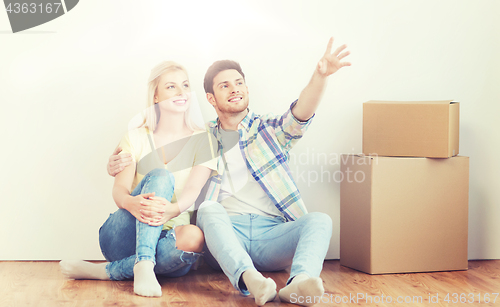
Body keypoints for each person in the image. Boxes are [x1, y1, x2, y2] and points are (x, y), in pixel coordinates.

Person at [108, 37, 351, 306]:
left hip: (272, 234)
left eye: (238, 83)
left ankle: (299, 283)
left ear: (247, 89)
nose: (234, 89)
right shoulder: (201, 138)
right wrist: (115, 163)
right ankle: (250, 280)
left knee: (320, 220)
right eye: (224, 85)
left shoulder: (271, 130)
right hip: (222, 236)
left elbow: (302, 112)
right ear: (211, 98)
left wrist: (320, 75)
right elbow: (158, 154)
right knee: (210, 208)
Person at [60, 61, 217, 298]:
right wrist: (130, 203)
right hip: (125, 235)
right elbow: (119, 190)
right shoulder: (134, 137)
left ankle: (107, 271)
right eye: (171, 86)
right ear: (156, 95)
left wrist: (170, 210)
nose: (181, 92)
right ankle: (143, 262)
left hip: (170, 239)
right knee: (161, 176)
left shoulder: (204, 140)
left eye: (185, 85)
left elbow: (193, 191)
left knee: (195, 236)